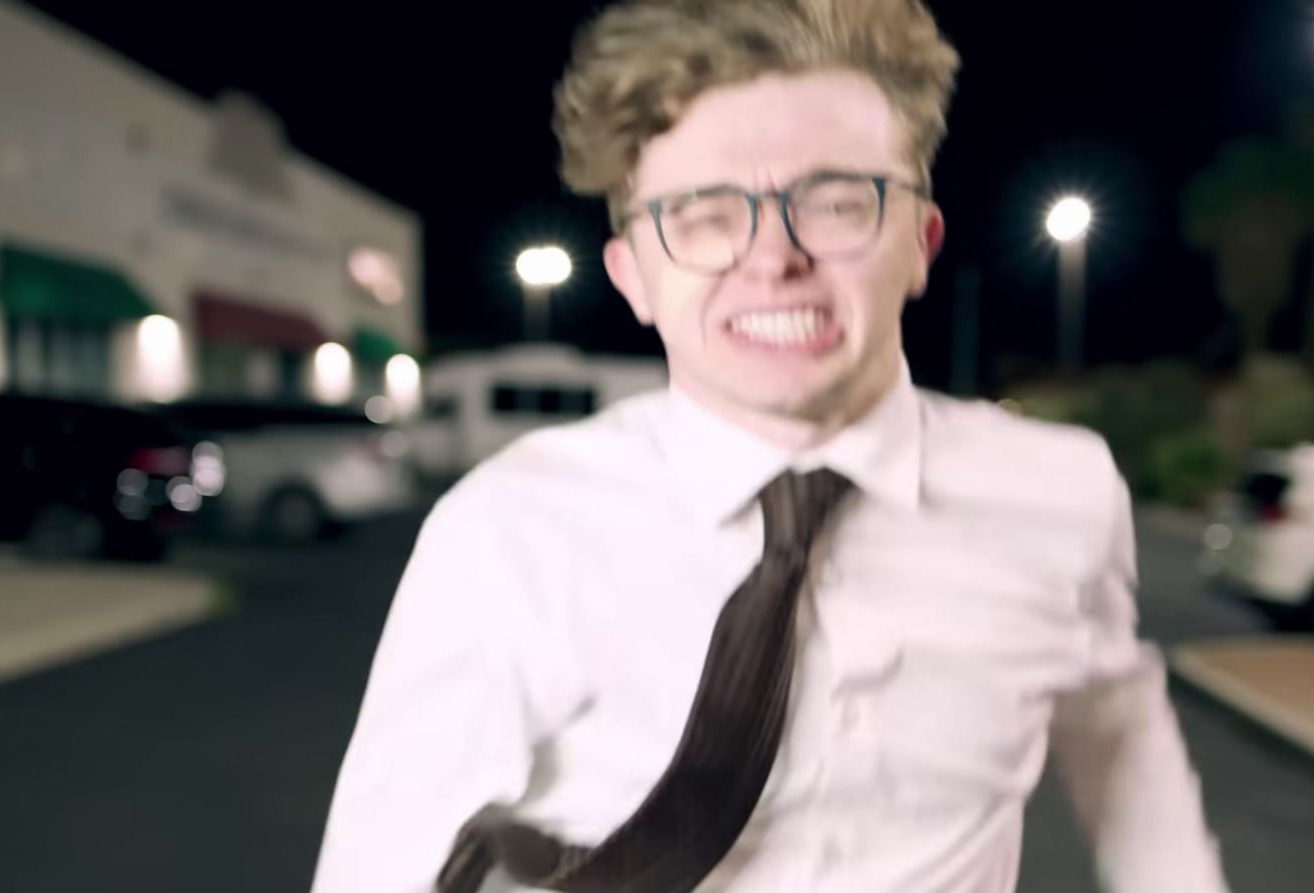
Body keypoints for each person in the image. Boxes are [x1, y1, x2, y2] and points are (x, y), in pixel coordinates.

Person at [312, 1, 1228, 890]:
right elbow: (380, 866)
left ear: (921, 241)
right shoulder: (510, 529)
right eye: (705, 215)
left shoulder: (1060, 493)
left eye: (834, 202)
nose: (771, 257)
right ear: (634, 277)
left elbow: (1115, 723)